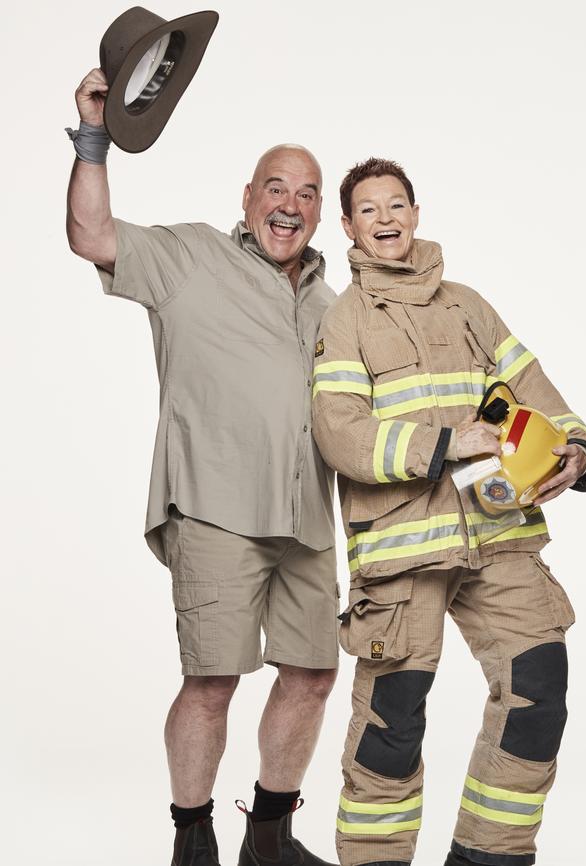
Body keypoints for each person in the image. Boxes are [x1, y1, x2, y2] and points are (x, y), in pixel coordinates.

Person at [66, 68, 339, 866]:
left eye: (309, 193)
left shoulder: (335, 302)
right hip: (216, 509)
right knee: (213, 682)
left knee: (313, 675)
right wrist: (94, 137)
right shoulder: (188, 257)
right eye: (277, 187)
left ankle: (270, 837)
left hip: (309, 519)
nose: (290, 204)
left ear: (320, 211)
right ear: (249, 195)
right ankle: (192, 839)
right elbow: (92, 235)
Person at [312, 157, 586, 866]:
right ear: (349, 225)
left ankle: (488, 856)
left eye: (397, 206)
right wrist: (444, 442)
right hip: (403, 549)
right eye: (369, 210)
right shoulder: (345, 320)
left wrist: (577, 451)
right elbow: (340, 434)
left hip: (501, 535)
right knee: (393, 723)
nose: (386, 220)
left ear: (416, 214)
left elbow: (536, 392)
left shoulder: (470, 305)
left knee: (538, 692)